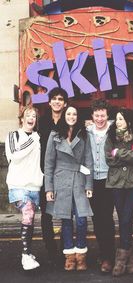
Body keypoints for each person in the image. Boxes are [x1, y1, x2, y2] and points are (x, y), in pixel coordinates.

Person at [44, 106, 94, 271]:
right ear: (64, 116)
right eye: (69, 114)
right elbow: (49, 164)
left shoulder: (83, 134)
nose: (71, 116)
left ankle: (81, 255)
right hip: (61, 181)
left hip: (79, 179)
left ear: (78, 116)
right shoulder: (55, 135)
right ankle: (69, 257)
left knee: (81, 220)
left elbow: (88, 161)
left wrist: (89, 184)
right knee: (66, 220)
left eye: (74, 113)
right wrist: (49, 189)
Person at [105, 108, 133, 277]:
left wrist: (119, 153)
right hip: (116, 183)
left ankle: (120, 260)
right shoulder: (110, 136)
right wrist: (126, 155)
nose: (118, 121)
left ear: (128, 121)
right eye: (117, 119)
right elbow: (109, 159)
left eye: (121, 119)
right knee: (123, 220)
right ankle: (130, 258)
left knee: (127, 218)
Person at [5, 106, 43, 270]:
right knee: (27, 214)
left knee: (30, 219)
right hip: (18, 185)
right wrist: (33, 139)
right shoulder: (13, 135)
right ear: (21, 119)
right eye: (28, 115)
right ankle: (26, 256)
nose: (31, 118)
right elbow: (15, 154)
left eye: (34, 116)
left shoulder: (38, 137)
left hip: (34, 186)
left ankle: (28, 252)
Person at [38, 87, 68, 262]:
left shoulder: (69, 121)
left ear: (64, 103)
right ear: (49, 102)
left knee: (66, 212)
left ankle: (66, 246)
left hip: (64, 173)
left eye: (60, 99)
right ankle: (50, 247)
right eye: (54, 98)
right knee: (46, 213)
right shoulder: (41, 123)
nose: (57, 101)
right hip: (45, 173)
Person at [87, 99, 115, 273]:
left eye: (102, 115)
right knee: (96, 219)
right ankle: (103, 252)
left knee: (107, 219)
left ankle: (108, 257)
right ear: (92, 116)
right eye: (96, 115)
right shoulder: (87, 131)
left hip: (109, 180)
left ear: (107, 115)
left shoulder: (113, 130)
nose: (99, 118)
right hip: (92, 181)